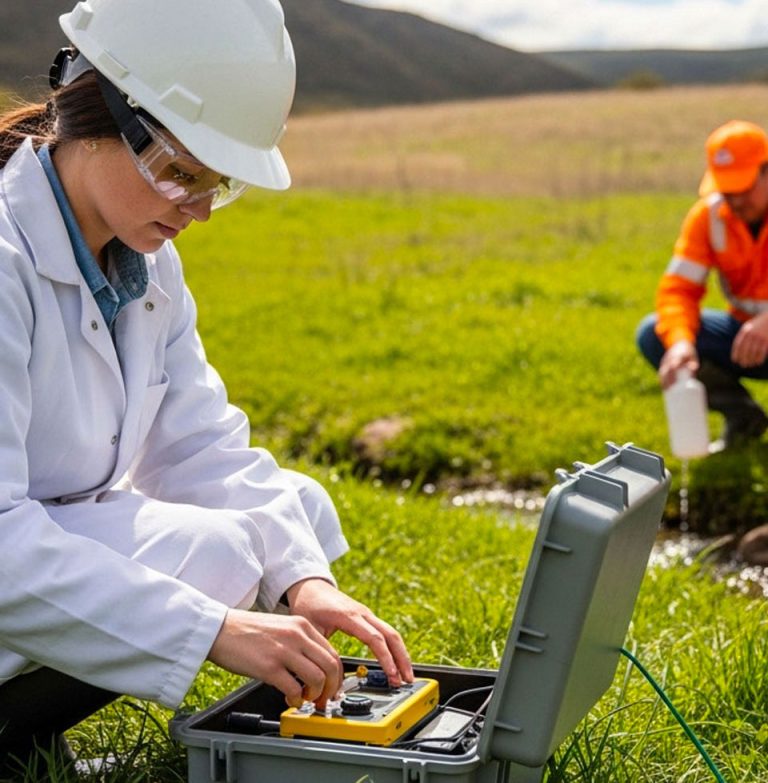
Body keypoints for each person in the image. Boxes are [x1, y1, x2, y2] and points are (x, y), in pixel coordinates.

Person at [0, 0, 412, 769]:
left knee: (295, 522)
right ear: (93, 113)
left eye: (216, 184)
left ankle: (25, 737)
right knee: (224, 551)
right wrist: (214, 630)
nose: (198, 211)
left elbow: (198, 444)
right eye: (178, 173)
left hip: (45, 528)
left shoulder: (146, 261)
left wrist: (303, 584)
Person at [636, 119, 768, 452]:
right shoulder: (707, 218)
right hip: (745, 340)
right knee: (655, 334)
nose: (736, 201)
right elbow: (678, 290)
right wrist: (681, 343)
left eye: (745, 188)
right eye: (727, 190)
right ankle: (744, 419)